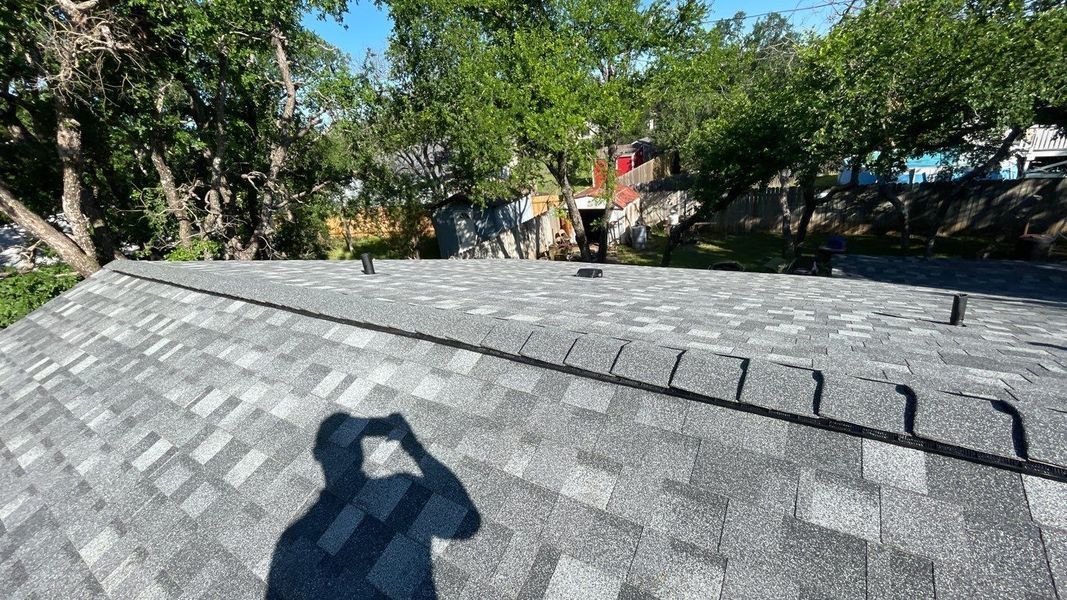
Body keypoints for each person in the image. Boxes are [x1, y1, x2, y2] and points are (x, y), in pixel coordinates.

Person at [266, 412, 480, 599]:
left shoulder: (291, 539)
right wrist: (414, 449)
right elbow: (466, 525)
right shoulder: (396, 485)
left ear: (317, 455)